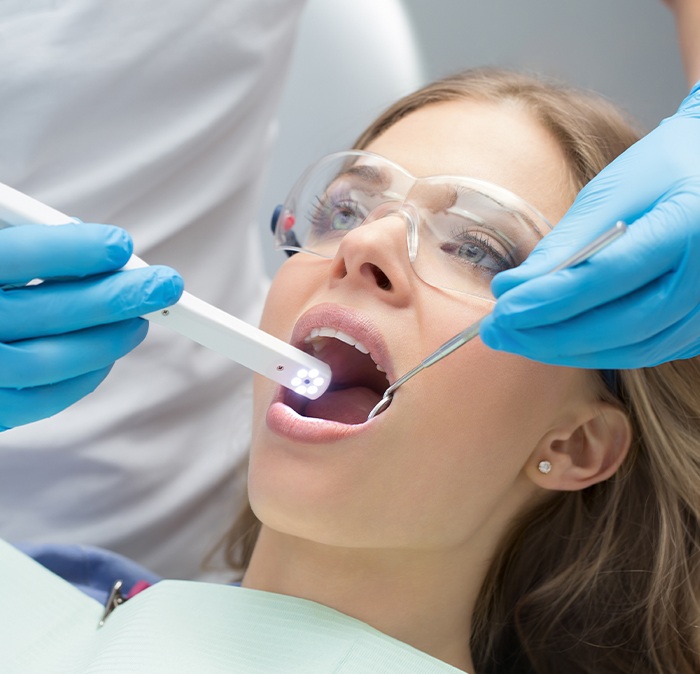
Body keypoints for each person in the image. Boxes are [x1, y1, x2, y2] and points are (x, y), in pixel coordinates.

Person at [12, 68, 699, 674]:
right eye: (343, 210)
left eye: (477, 249)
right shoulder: (52, 592)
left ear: (574, 445)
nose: (365, 242)